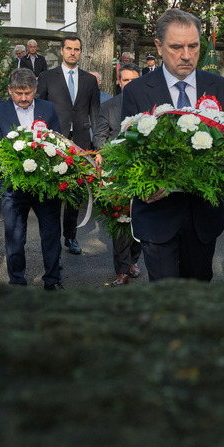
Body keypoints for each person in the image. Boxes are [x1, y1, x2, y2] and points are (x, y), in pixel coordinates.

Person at [120, 8, 224, 282]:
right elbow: (126, 150)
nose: (186, 55)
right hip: (157, 215)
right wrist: (141, 186)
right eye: (176, 47)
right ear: (159, 47)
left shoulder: (220, 88)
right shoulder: (136, 91)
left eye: (193, 46)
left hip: (203, 217)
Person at [0, 68, 65, 290]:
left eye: (28, 93)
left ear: (35, 90)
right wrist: (15, 165)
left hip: (45, 185)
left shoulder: (48, 108)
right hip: (14, 185)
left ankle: (52, 280)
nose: (23, 98)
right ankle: (17, 281)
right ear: (9, 90)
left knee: (51, 234)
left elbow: (59, 141)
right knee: (15, 236)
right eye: (18, 93)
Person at [36, 36, 100, 255]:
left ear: (80, 52)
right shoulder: (47, 77)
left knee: (75, 194)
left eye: (77, 49)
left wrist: (96, 146)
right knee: (53, 195)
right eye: (69, 48)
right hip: (53, 142)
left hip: (81, 142)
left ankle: (70, 237)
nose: (73, 52)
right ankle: (52, 243)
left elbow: (95, 113)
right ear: (62, 51)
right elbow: (40, 109)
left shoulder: (89, 80)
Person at [94, 63, 143, 285]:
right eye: (125, 80)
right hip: (117, 172)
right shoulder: (108, 107)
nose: (129, 84)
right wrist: (107, 154)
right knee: (121, 220)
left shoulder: (151, 105)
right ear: (119, 82)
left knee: (140, 218)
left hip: (144, 171)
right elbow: (100, 136)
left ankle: (134, 261)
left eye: (134, 80)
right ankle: (122, 270)